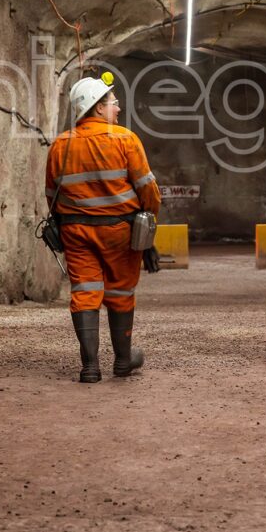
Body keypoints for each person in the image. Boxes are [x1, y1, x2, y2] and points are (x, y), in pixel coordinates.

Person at [46, 73, 161, 383]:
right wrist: (148, 233)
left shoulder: (61, 145)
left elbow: (51, 195)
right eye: (113, 103)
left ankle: (90, 366)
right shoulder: (125, 139)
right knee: (120, 293)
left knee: (84, 293)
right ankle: (123, 361)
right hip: (120, 232)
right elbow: (147, 190)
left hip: (76, 233)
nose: (118, 109)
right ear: (97, 108)